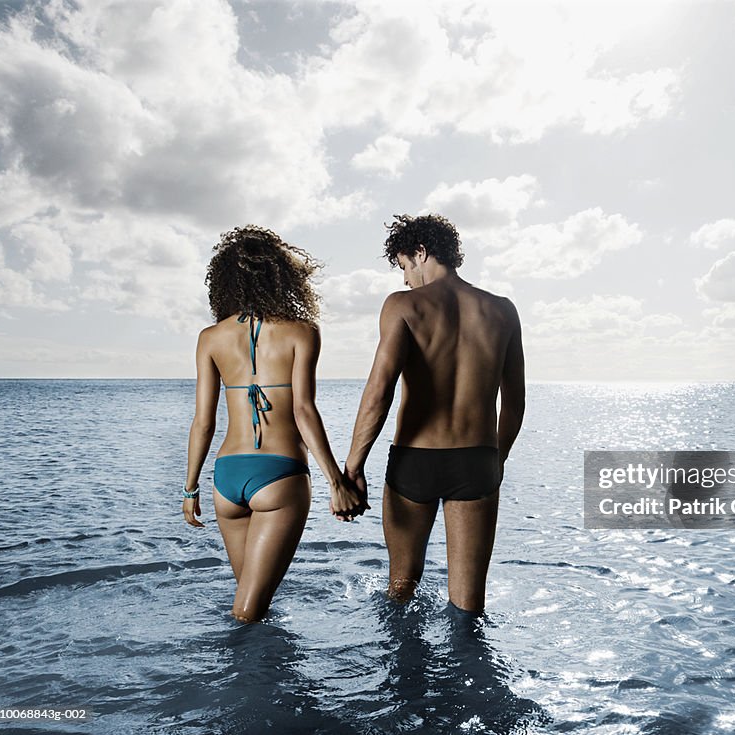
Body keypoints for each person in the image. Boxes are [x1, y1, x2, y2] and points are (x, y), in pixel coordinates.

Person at [182, 225, 366, 623]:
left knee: (250, 601)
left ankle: (251, 677)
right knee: (248, 611)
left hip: (226, 478)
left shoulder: (210, 337)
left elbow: (203, 421)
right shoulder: (302, 332)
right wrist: (336, 481)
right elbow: (303, 411)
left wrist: (189, 487)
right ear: (283, 277)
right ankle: (242, 679)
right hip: (279, 476)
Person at [344, 214, 525, 615]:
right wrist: (497, 461)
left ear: (421, 253)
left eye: (405, 266)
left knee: (401, 590)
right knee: (468, 606)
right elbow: (514, 403)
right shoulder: (502, 310)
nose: (406, 279)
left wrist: (353, 467)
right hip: (477, 460)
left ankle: (404, 677)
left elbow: (379, 393)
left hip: (416, 460)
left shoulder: (403, 306)